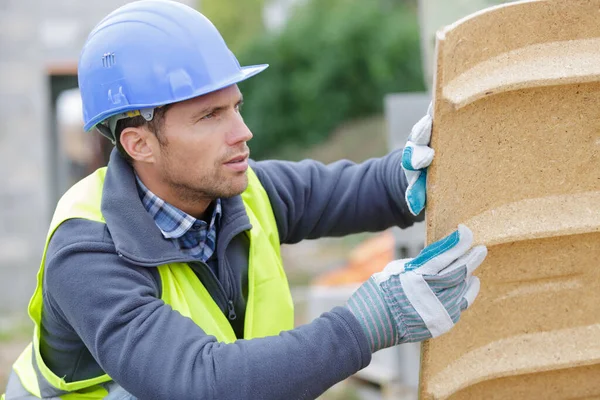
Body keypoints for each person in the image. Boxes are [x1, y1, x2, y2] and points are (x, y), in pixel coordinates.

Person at [2, 1, 487, 399]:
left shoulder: (241, 190)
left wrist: (412, 169)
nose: (243, 133)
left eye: (235, 106)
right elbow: (199, 383)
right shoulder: (87, 252)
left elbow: (357, 190)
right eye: (210, 115)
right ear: (139, 144)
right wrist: (369, 323)